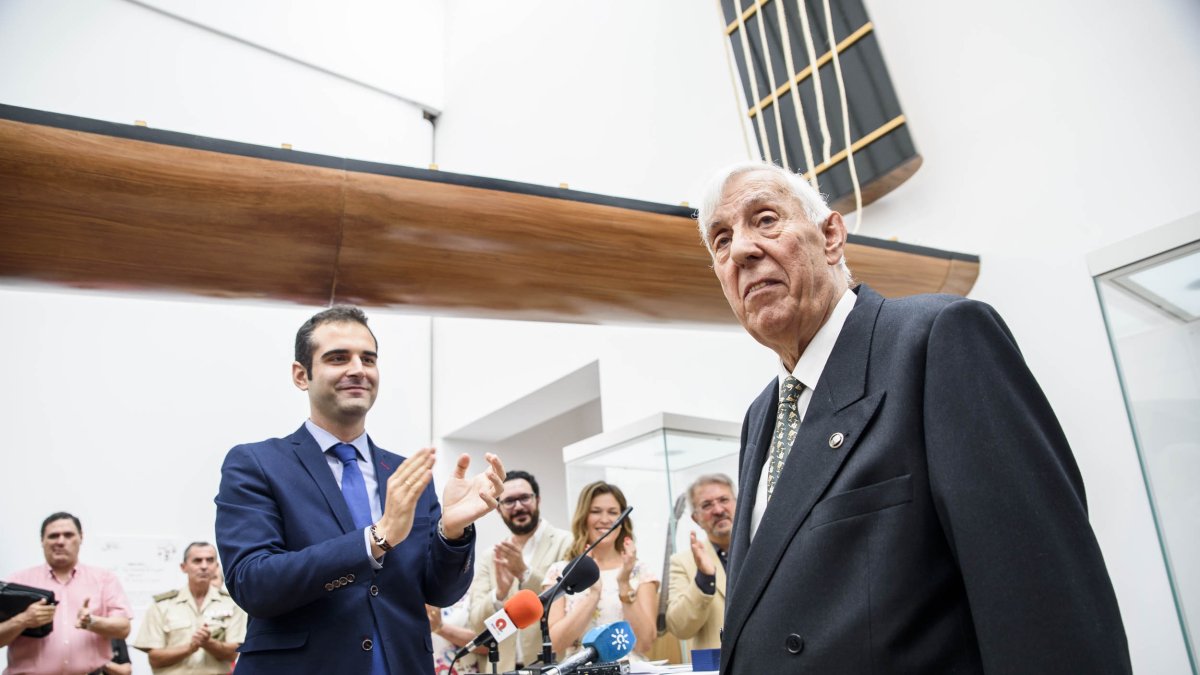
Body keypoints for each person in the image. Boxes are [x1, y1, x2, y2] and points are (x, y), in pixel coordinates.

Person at [696, 161, 1132, 673]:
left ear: (831, 236)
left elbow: (1046, 607)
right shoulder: (761, 416)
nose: (742, 250)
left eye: (766, 219)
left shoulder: (939, 341)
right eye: (721, 241)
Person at [214, 305, 506, 675]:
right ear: (301, 375)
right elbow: (253, 583)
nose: (358, 369)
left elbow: (441, 593)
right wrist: (375, 539)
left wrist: (452, 533)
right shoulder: (256, 463)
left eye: (368, 359)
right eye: (338, 358)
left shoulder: (407, 473)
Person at [0, 512, 132, 675]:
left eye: (68, 535)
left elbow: (123, 629)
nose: (60, 542)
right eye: (53, 536)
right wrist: (23, 620)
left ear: (81, 538)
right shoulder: (15, 583)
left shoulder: (104, 579)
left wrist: (92, 622)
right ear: (42, 541)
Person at [466, 470, 571, 671]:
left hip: (552, 667)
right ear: (498, 509)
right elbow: (476, 625)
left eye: (524, 498)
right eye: (509, 501)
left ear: (537, 500)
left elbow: (568, 605)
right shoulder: (491, 556)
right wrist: (499, 595)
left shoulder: (566, 543)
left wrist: (525, 573)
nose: (518, 506)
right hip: (502, 668)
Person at [543, 481, 657, 660]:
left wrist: (624, 583)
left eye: (613, 512)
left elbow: (645, 643)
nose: (605, 519)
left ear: (622, 520)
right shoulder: (560, 571)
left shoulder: (641, 571)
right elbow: (555, 644)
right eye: (596, 511)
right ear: (583, 518)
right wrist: (593, 595)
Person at [131, 541, 247, 674]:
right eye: (197, 561)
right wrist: (190, 648)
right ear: (183, 567)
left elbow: (233, 653)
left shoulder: (231, 604)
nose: (204, 566)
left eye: (210, 560)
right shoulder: (162, 605)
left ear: (216, 566)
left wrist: (209, 643)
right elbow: (155, 658)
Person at [665, 474, 735, 651]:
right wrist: (704, 579)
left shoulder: (764, 550)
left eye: (724, 500)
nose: (718, 510)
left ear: (738, 504)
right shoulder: (682, 562)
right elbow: (679, 627)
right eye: (707, 505)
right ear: (696, 518)